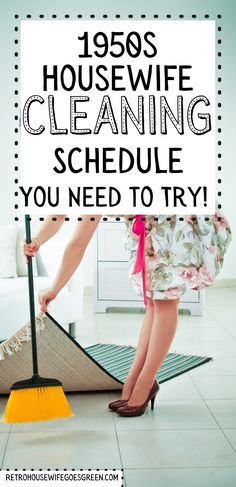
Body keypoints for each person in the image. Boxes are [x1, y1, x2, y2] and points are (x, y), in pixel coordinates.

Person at [23, 210, 232, 417]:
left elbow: (78, 244)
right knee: (154, 302)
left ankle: (145, 382)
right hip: (146, 228)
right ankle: (134, 380)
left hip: (170, 224)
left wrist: (55, 288)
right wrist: (38, 240)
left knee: (165, 301)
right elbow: (59, 216)